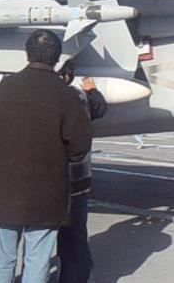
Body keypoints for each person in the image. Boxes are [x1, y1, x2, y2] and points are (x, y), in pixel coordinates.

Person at [0, 30, 93, 283]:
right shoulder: (66, 94)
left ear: (27, 53)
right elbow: (79, 146)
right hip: (47, 190)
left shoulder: (6, 86)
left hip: (6, 187)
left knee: (2, 256)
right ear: (56, 58)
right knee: (37, 258)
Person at [58, 69, 107, 283]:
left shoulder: (52, 96)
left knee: (51, 236)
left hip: (55, 179)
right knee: (76, 234)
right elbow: (100, 108)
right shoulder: (79, 97)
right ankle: (79, 277)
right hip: (79, 179)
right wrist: (92, 89)